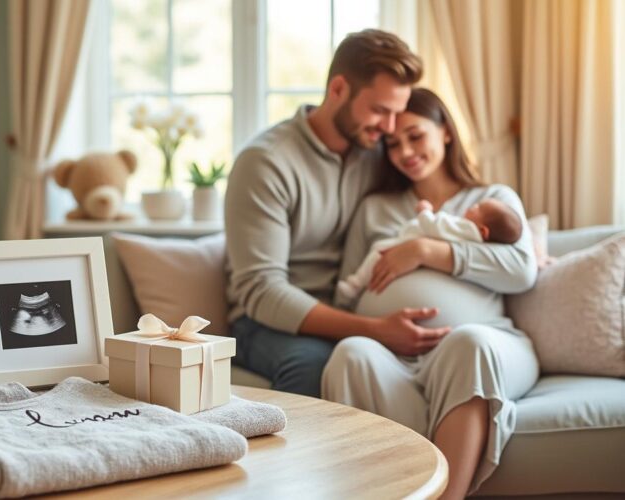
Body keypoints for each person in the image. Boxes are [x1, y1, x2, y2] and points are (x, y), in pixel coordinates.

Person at [321, 88, 539, 499]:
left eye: (416, 136)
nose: (405, 151)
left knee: (467, 341)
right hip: (395, 358)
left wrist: (425, 251)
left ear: (446, 133)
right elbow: (344, 295)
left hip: (486, 343)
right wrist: (377, 326)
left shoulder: (492, 200)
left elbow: (522, 271)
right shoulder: (375, 209)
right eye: (393, 142)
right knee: (350, 354)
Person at [225, 29, 450, 398]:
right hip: (268, 323)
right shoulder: (266, 163)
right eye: (379, 111)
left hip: (355, 308)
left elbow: (436, 198)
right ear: (339, 89)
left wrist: (515, 238)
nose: (389, 128)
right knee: (315, 362)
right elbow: (261, 291)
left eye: (396, 114)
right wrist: (372, 328)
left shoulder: (378, 151)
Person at [336, 196, 523, 305]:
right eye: (393, 144)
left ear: (483, 231)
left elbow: (434, 226)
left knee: (377, 252)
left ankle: (355, 284)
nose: (473, 206)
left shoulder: (467, 228)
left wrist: (425, 212)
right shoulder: (373, 205)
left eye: (478, 208)